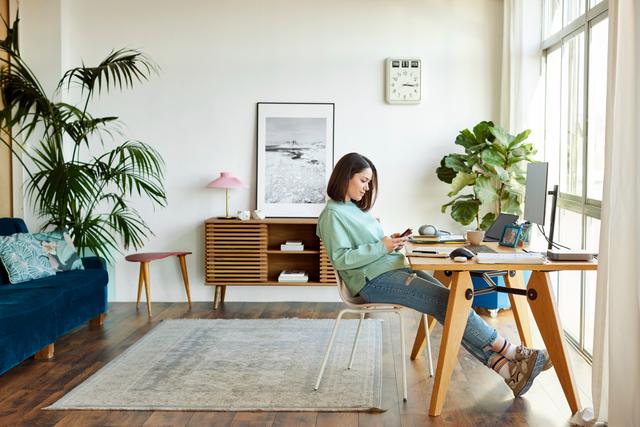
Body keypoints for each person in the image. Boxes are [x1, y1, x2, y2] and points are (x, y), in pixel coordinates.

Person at [316, 152, 551, 397]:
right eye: (363, 181)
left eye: (369, 182)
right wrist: (381, 246)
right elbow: (342, 259)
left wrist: (389, 242)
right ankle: (514, 352)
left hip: (390, 269)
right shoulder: (332, 215)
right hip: (372, 281)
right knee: (448, 302)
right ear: (346, 177)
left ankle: (507, 371)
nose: (367, 188)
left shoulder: (352, 209)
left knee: (451, 304)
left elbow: (365, 245)